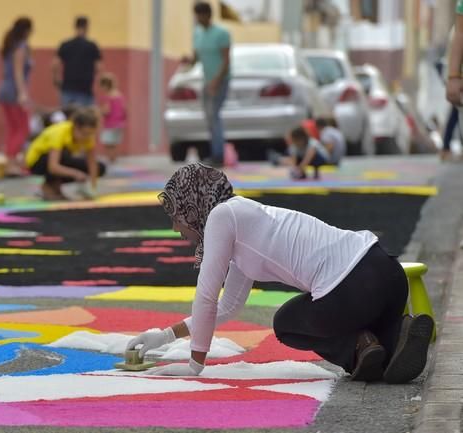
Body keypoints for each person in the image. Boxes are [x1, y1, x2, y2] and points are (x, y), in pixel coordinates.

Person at [127, 163, 434, 384]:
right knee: (376, 343)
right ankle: (395, 337)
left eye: (176, 216)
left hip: (352, 292)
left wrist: (195, 364)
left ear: (192, 205)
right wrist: (164, 336)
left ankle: (359, 346)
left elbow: (206, 295)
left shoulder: (222, 217)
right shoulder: (242, 219)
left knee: (286, 323)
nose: (175, 227)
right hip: (387, 272)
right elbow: (226, 307)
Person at [181, 2, 231, 167]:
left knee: (214, 115)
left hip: (220, 80)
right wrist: (187, 61)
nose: (197, 18)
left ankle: (218, 155)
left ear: (207, 15)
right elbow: (196, 59)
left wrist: (216, 81)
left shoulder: (221, 33)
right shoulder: (197, 33)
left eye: (199, 15)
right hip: (206, 81)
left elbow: (226, 60)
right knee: (209, 117)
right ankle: (214, 151)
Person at [25, 107, 106, 201]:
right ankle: (48, 187)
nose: (86, 137)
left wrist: (93, 188)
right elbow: (53, 166)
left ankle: (55, 187)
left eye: (90, 134)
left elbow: (92, 164)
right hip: (37, 161)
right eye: (84, 134)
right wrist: (75, 173)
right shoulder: (60, 133)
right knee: (64, 155)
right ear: (75, 127)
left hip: (59, 161)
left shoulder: (88, 137)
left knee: (100, 167)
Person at [0, 17, 33, 177]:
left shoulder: (10, 46)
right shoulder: (21, 47)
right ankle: (11, 163)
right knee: (23, 129)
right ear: (27, 31)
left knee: (14, 129)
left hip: (6, 89)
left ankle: (12, 162)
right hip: (14, 91)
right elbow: (18, 72)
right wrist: (22, 94)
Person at [52, 16, 102, 107]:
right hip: (85, 88)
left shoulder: (65, 44)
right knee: (86, 119)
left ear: (75, 27)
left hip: (68, 87)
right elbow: (98, 67)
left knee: (67, 117)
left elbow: (55, 64)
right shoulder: (92, 46)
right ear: (87, 27)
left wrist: (56, 79)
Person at [98, 73, 126, 163]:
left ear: (105, 86)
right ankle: (114, 159)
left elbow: (107, 111)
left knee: (108, 142)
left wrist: (99, 111)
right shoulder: (119, 95)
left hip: (110, 124)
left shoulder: (108, 97)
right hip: (119, 123)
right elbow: (124, 109)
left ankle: (110, 159)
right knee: (115, 143)